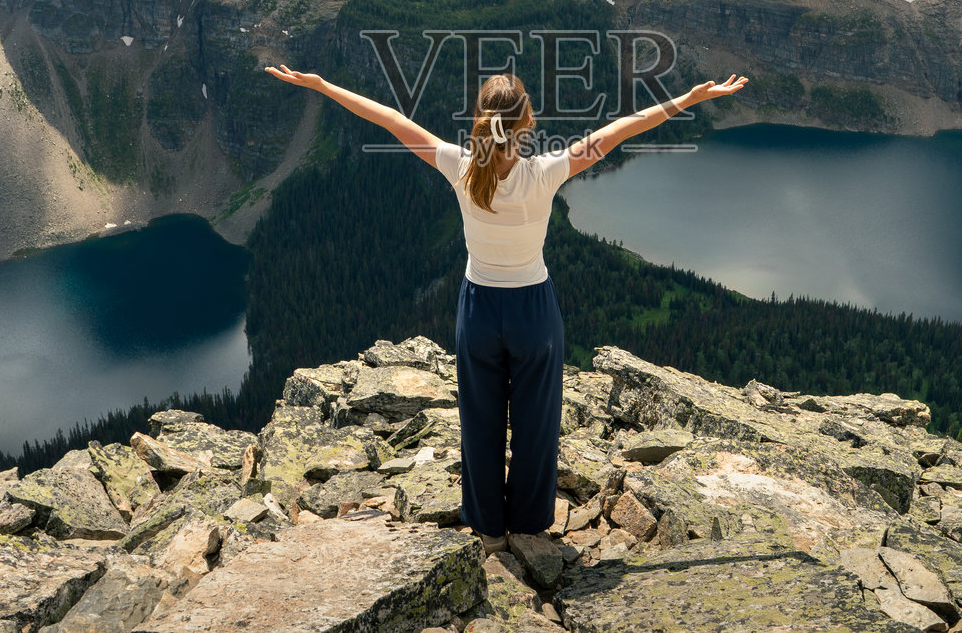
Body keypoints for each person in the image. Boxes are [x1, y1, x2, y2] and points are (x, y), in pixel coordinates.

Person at [264, 61, 747, 551]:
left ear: (480, 119)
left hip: (477, 310)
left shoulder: (459, 166)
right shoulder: (546, 172)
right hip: (533, 312)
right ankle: (529, 526)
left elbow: (390, 118)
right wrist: (686, 100)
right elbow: (621, 129)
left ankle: (489, 530)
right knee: (536, 422)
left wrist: (322, 84)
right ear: (527, 124)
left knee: (480, 421)